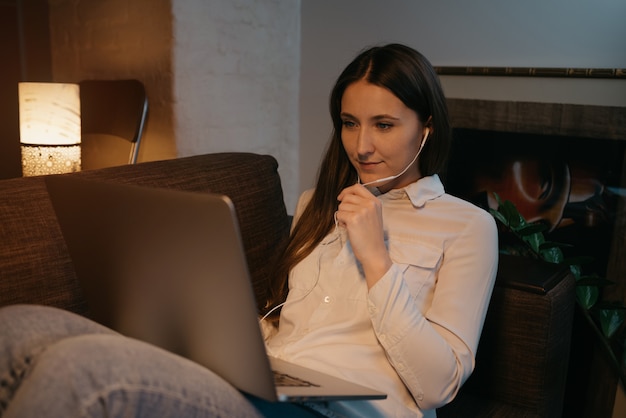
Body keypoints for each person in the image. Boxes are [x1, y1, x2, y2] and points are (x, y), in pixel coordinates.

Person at [0, 43, 498, 418]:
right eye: (349, 123)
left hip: (349, 410)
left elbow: (438, 385)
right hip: (271, 382)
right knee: (18, 326)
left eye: (384, 125)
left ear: (426, 126)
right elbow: (286, 326)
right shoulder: (316, 205)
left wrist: (377, 260)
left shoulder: (467, 227)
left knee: (79, 371)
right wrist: (210, 330)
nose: (361, 145)